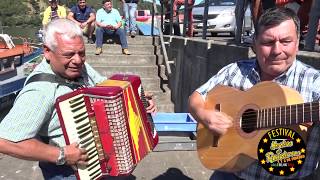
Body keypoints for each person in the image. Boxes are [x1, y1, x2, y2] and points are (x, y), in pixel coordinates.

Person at [0, 18, 156, 179]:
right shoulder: (40, 90)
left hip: (98, 162)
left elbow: (104, 86)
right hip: (67, 172)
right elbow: (5, 141)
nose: (77, 60)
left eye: (81, 53)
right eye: (68, 55)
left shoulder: (78, 66)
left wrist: (140, 101)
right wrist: (61, 154)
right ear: (47, 51)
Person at [189, 7, 320, 179]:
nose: (277, 51)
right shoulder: (235, 71)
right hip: (232, 173)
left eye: (286, 41)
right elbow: (196, 97)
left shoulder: (314, 83)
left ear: (297, 44)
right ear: (254, 44)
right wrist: (205, 115)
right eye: (268, 42)